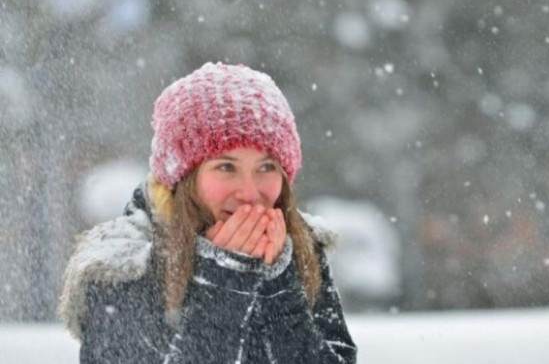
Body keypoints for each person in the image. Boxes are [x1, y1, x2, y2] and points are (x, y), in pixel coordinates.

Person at [58, 62, 357, 363]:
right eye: (226, 167)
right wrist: (225, 281)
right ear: (184, 179)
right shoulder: (124, 267)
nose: (250, 193)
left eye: (267, 167)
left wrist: (280, 288)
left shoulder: (299, 249)